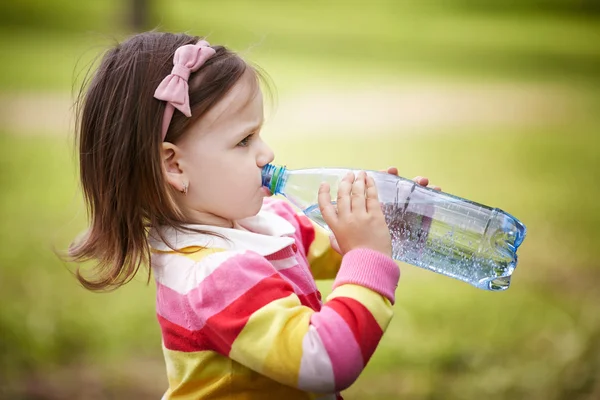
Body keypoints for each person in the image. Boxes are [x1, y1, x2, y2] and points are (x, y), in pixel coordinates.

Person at [69, 31, 440, 400]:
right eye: (244, 141)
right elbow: (328, 360)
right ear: (174, 165)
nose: (267, 153)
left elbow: (336, 242)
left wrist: (392, 226)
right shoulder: (214, 277)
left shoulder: (262, 221)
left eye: (259, 134)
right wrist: (368, 258)